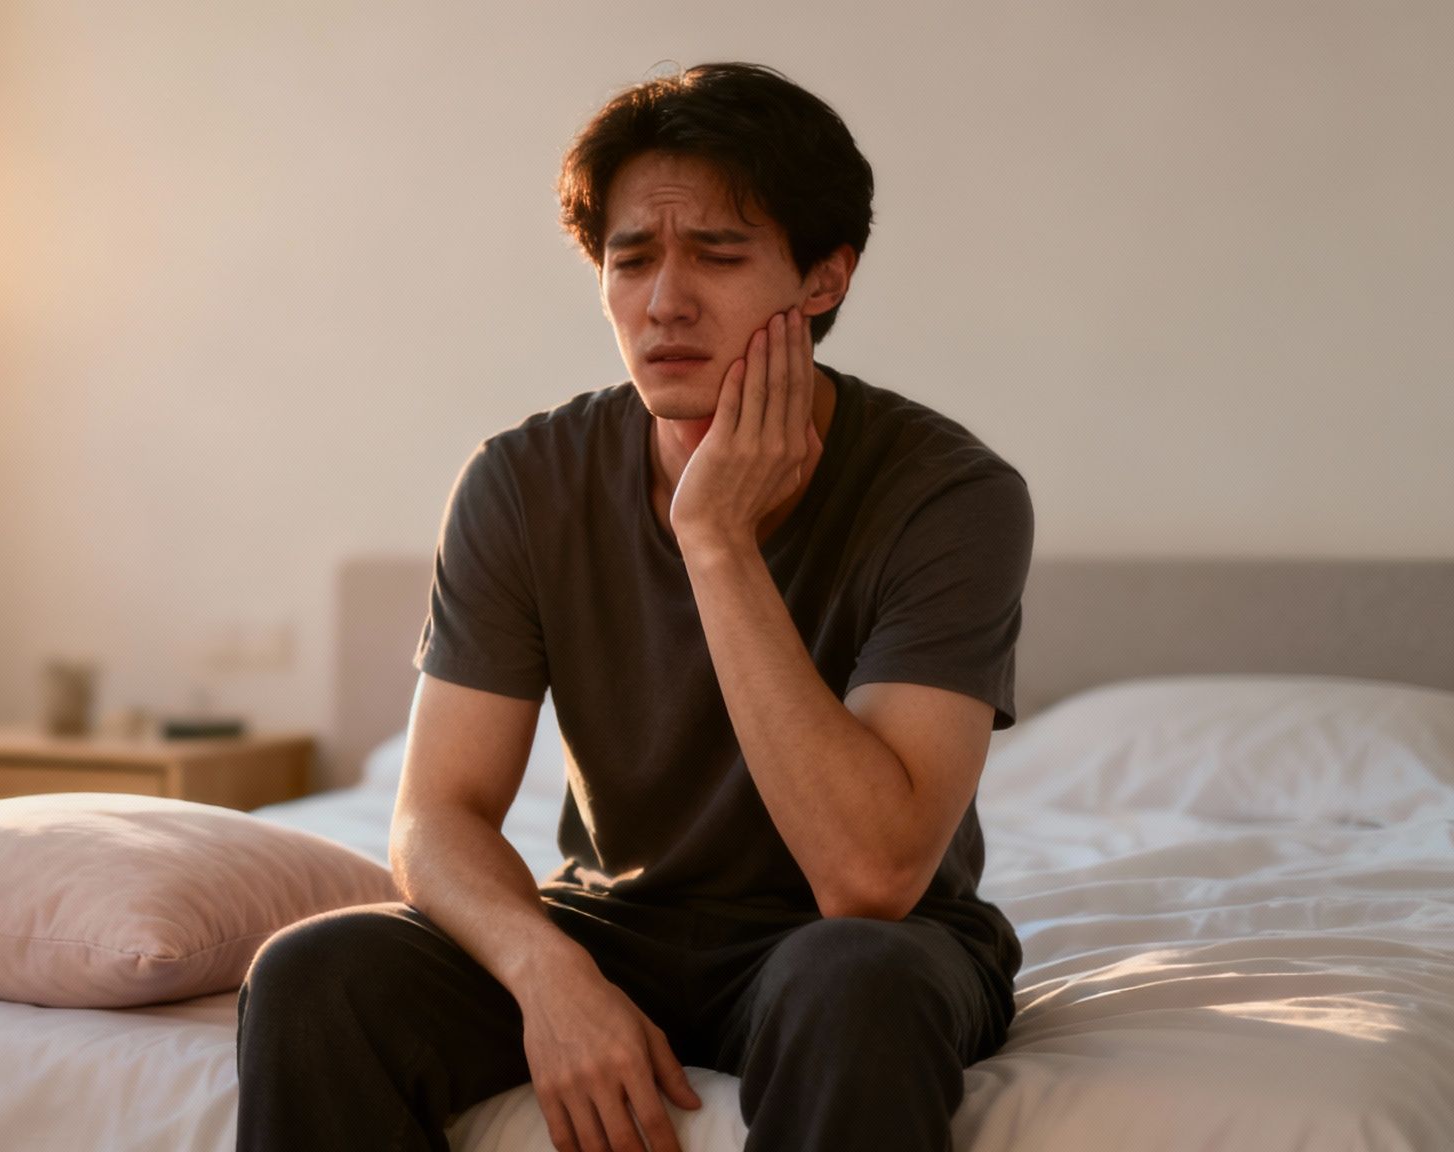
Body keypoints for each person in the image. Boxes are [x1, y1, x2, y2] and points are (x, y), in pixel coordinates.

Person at [236, 61, 1030, 1152]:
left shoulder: (948, 495)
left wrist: (715, 541)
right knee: (314, 973)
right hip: (616, 927)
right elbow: (435, 816)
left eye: (716, 253)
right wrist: (544, 971)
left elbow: (871, 876)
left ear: (821, 280)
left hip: (856, 944)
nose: (664, 301)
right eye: (631, 258)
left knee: (853, 980)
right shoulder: (522, 481)